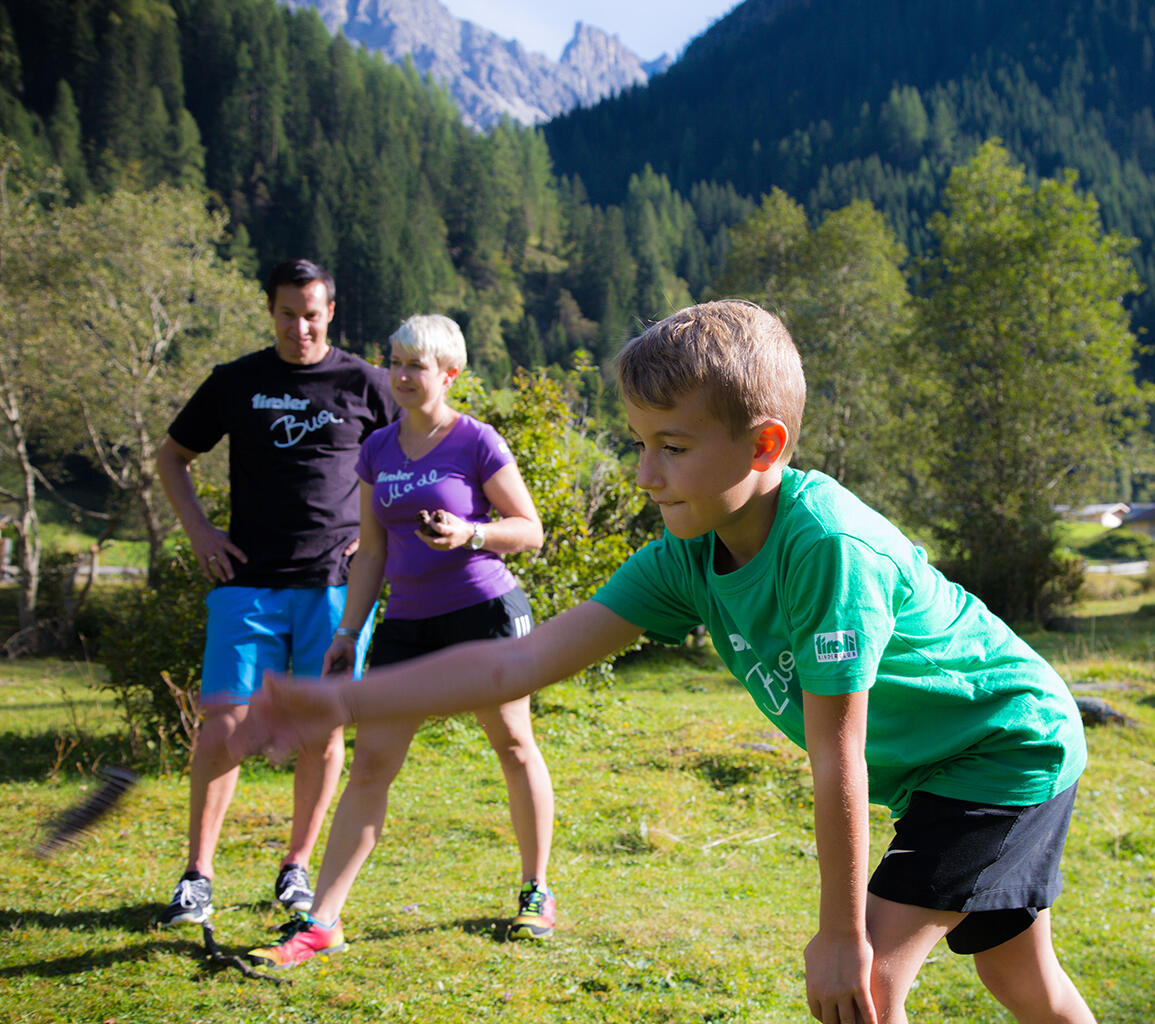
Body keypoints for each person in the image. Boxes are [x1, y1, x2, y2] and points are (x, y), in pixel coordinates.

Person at [234, 300, 1096, 1023]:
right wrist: (340, 701)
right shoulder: (687, 554)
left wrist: (841, 931)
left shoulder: (824, 546)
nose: (646, 473)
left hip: (1002, 748)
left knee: (865, 980)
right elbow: (513, 665)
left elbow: (838, 751)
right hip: (948, 765)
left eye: (673, 447)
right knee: (1019, 981)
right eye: (639, 442)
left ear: (764, 446)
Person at [248, 314, 556, 968]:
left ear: (450, 374)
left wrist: (470, 533)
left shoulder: (476, 441)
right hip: (406, 625)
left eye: (419, 365)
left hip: (484, 612)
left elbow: (529, 530)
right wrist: (349, 630)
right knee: (371, 764)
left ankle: (535, 890)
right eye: (396, 362)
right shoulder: (378, 450)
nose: (404, 375)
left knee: (512, 745)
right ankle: (322, 920)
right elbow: (372, 550)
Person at [154, 258, 396, 927]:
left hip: (335, 589)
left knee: (323, 732)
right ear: (271, 312)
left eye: (312, 313)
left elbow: (412, 456)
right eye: (288, 314)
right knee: (222, 727)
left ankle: (296, 868)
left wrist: (380, 537)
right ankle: (197, 875)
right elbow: (172, 455)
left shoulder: (365, 382)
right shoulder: (237, 381)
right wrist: (199, 529)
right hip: (248, 582)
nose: (300, 328)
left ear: (331, 311)